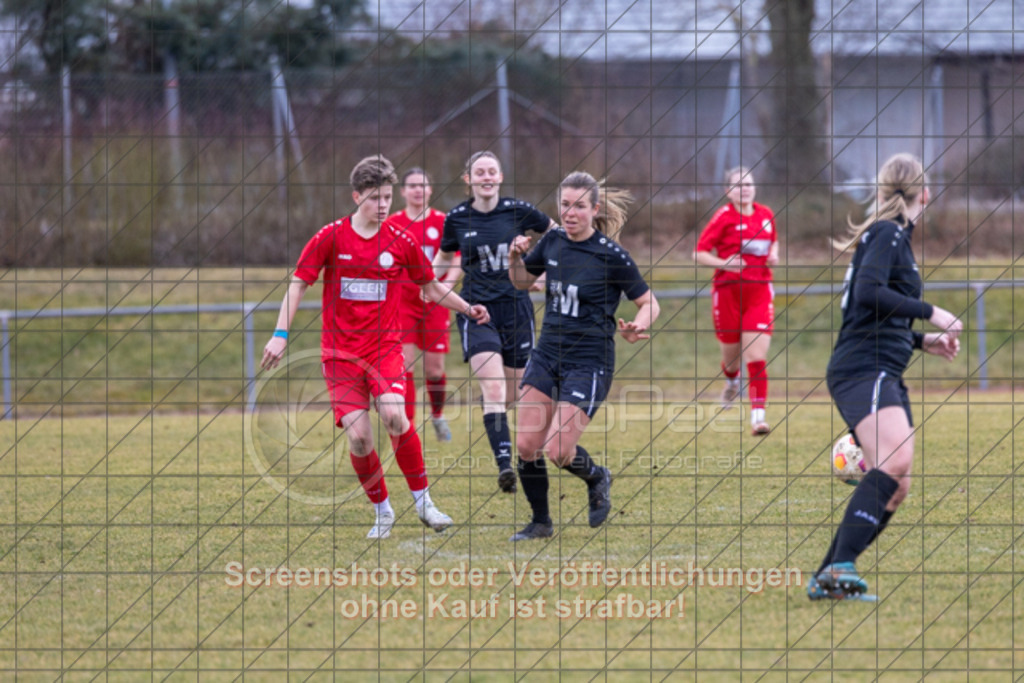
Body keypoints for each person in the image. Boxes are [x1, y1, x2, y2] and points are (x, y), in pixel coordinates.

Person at [260, 155, 490, 540]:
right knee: (360, 438)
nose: (383, 205)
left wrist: (468, 308)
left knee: (395, 416)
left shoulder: (401, 241)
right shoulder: (331, 237)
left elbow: (430, 287)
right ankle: (382, 511)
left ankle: (425, 504)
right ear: (356, 197)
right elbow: (298, 282)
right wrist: (280, 334)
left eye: (386, 197)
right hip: (340, 356)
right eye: (374, 198)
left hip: (384, 349)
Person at [809, 153, 962, 601]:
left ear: (881, 191)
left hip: (882, 367)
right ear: (925, 195)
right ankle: (839, 568)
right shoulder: (887, 233)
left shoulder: (891, 238)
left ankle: (828, 575)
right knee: (892, 464)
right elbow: (869, 293)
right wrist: (934, 313)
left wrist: (921, 342)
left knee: (897, 486)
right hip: (863, 368)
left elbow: (871, 313)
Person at [506, 172, 660, 541]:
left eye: (578, 206)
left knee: (558, 450)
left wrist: (637, 326)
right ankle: (540, 523)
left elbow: (649, 302)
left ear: (594, 209)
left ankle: (597, 477)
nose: (569, 212)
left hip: (589, 362)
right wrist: (515, 258)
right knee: (527, 446)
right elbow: (522, 282)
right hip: (547, 355)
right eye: (564, 205)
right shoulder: (554, 240)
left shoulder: (611, 256)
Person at [432, 150, 556, 493]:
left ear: (500, 177)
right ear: (468, 180)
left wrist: (540, 268)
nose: (486, 178)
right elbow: (442, 258)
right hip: (476, 311)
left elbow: (558, 235)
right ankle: (505, 465)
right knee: (494, 387)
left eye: (492, 172)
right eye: (479, 173)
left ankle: (500, 427)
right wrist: (428, 283)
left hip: (516, 309)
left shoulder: (519, 211)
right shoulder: (457, 218)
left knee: (514, 395)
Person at [693, 166, 779, 435]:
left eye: (749, 184)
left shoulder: (765, 215)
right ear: (728, 191)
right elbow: (699, 253)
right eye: (739, 185)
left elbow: (773, 242)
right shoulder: (723, 217)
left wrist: (774, 255)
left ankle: (758, 417)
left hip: (759, 292)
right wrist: (724, 263)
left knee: (755, 354)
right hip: (727, 293)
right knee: (732, 360)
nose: (745, 189)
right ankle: (731, 382)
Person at [388, 168, 461, 443]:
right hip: (403, 303)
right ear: (403, 192)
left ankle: (438, 416)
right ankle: (407, 425)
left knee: (433, 368)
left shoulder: (443, 221)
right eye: (412, 186)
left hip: (434, 301)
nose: (418, 190)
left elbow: (457, 257)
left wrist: (448, 285)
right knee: (405, 364)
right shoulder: (393, 223)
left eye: (423, 185)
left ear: (430, 190)